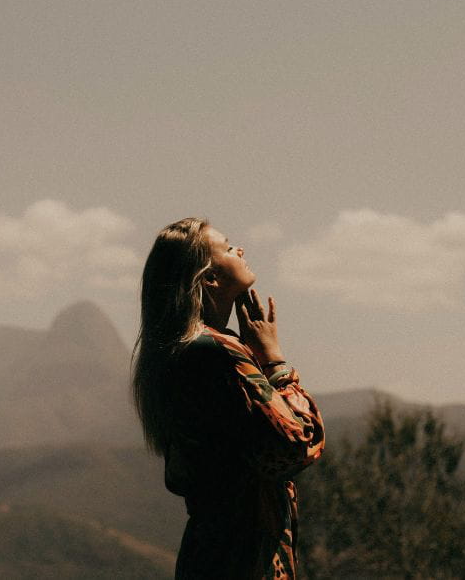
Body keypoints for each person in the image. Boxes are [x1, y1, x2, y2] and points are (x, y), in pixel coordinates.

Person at [131, 217, 325, 579]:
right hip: (240, 559)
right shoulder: (214, 353)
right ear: (210, 278)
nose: (241, 249)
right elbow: (297, 444)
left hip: (214, 555)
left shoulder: (186, 353)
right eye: (228, 247)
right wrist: (274, 361)